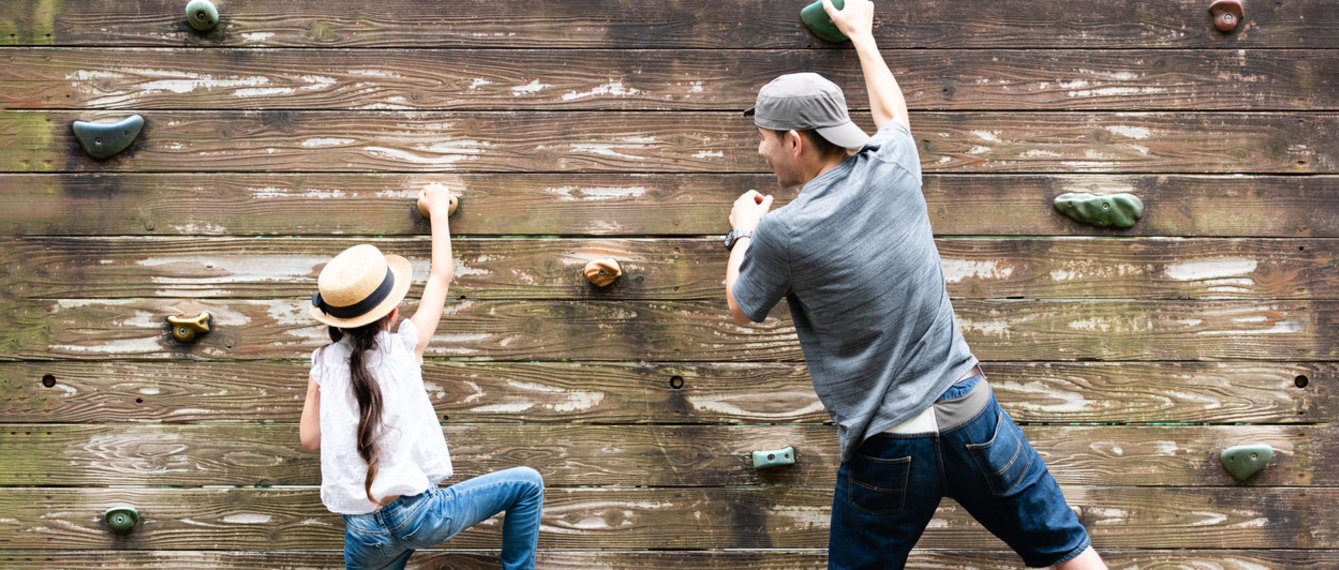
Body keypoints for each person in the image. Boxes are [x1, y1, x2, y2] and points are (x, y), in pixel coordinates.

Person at [722, 0, 1105, 568]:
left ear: (796, 141)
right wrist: (862, 35)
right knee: (1069, 554)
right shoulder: (894, 164)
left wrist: (742, 233)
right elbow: (892, 112)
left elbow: (740, 308)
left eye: (765, 137)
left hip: (888, 448)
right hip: (972, 416)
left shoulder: (783, 231)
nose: (761, 148)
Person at [299, 185, 543, 569]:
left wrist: (317, 376)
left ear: (334, 322)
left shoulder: (324, 362)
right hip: (420, 517)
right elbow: (440, 278)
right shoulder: (403, 348)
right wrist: (438, 211)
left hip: (365, 534)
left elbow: (309, 439)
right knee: (527, 484)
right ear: (392, 312)